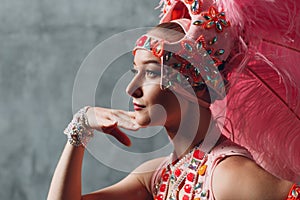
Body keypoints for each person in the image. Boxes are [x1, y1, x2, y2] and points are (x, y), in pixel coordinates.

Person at [48, 0, 300, 200]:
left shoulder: (226, 174)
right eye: (135, 71)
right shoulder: (158, 177)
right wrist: (81, 126)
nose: (130, 89)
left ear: (199, 87)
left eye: (150, 73)